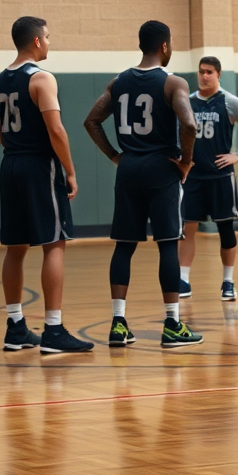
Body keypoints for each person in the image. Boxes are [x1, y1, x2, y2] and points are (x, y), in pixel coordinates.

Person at [83, 21, 203, 347]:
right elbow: (189, 125)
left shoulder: (118, 82)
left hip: (129, 169)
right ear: (164, 46)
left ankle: (119, 324)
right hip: (161, 169)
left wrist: (114, 155)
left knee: (124, 245)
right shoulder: (172, 83)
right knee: (167, 244)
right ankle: (173, 324)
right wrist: (186, 162)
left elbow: (91, 121)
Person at [0, 16, 93, 354]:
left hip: (10, 164)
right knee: (54, 242)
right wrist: (71, 171)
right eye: (47, 37)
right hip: (39, 166)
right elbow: (57, 131)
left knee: (16, 247)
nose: (49, 42)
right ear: (36, 42)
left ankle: (15, 326)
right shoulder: (41, 78)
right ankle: (53, 330)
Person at [178, 56, 238, 301]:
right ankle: (183, 280)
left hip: (220, 176)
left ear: (218, 74)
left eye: (209, 72)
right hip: (193, 176)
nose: (204, 76)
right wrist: (181, 157)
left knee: (226, 230)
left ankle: (228, 282)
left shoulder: (230, 101)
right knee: (187, 228)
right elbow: (179, 132)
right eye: (201, 71)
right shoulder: (188, 102)